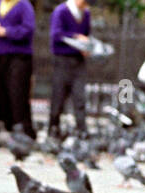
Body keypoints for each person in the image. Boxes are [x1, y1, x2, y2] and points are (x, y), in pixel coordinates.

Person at [0, 0, 35, 135]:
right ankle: (3, 127)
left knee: (17, 92)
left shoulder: (24, 5)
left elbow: (28, 29)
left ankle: (21, 129)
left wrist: (5, 31)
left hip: (19, 56)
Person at [48, 0, 90, 138]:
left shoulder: (86, 13)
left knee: (80, 97)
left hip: (78, 60)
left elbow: (87, 35)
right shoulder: (61, 11)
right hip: (62, 59)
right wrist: (76, 37)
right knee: (58, 96)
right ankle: (53, 129)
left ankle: (81, 130)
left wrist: (86, 47)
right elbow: (56, 34)